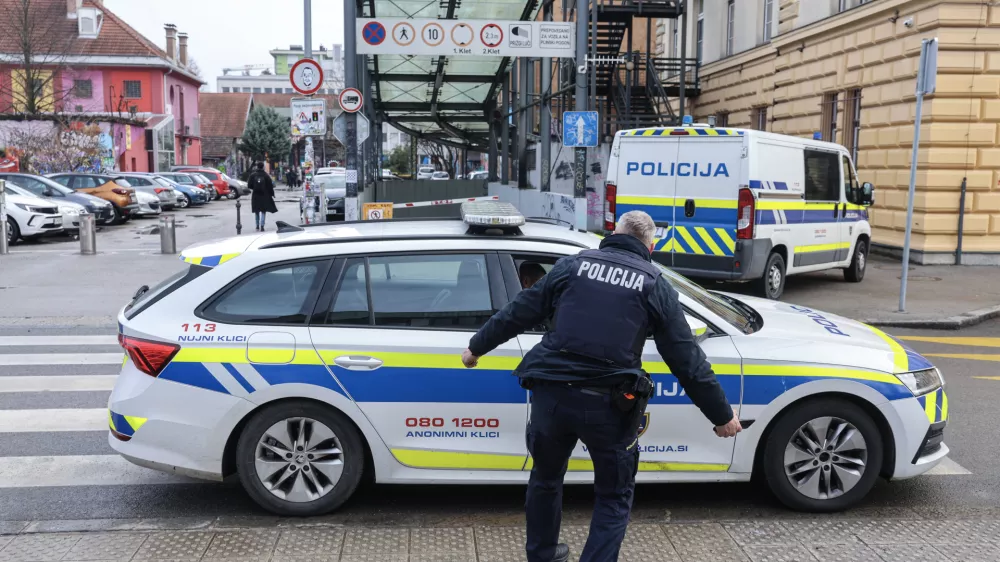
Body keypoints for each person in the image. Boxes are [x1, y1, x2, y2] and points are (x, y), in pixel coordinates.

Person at [461, 210, 741, 562]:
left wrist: (476, 347)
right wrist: (721, 415)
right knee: (613, 495)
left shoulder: (573, 266)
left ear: (613, 232)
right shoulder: (654, 283)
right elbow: (686, 359)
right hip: (609, 405)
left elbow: (521, 309)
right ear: (650, 245)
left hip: (552, 395)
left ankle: (543, 556)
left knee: (545, 479)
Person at [248, 162, 277, 231]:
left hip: (255, 195)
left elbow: (249, 185)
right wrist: (272, 194)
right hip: (264, 195)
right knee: (263, 211)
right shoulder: (266, 175)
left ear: (257, 167)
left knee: (256, 210)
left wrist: (255, 188)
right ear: (263, 167)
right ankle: (262, 225)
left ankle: (257, 225)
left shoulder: (253, 175)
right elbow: (270, 186)